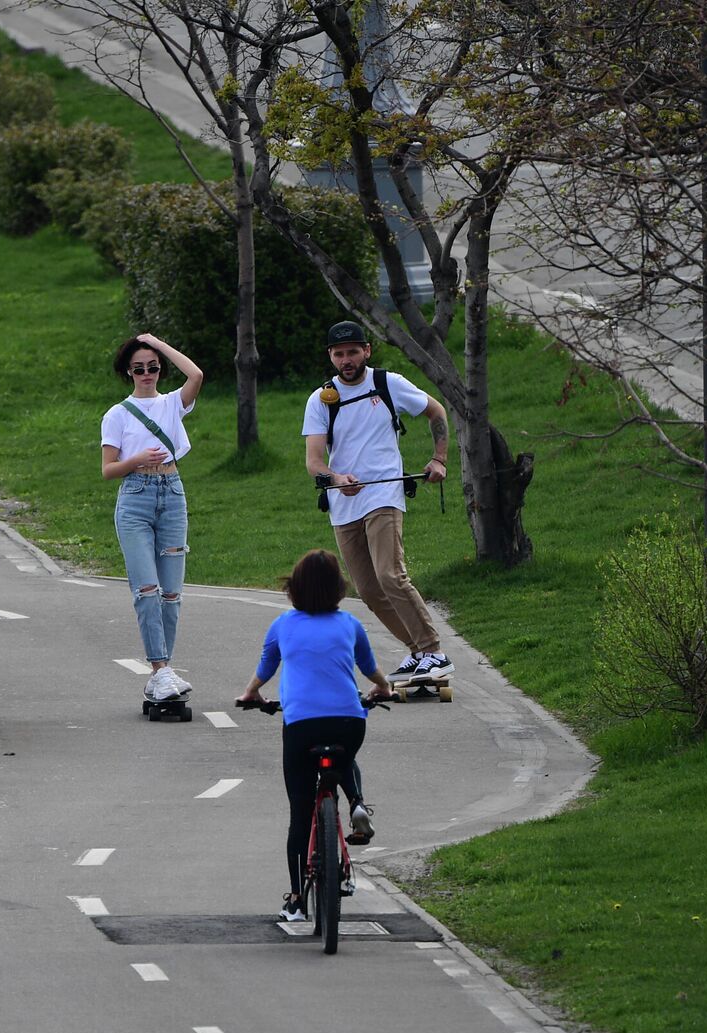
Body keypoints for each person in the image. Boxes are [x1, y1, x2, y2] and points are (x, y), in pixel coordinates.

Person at [236, 549, 392, 922]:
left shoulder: (283, 625)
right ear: (339, 588)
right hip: (348, 722)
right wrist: (384, 689)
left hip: (301, 726)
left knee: (300, 813)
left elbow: (265, 668)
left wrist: (250, 694)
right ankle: (355, 802)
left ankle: (294, 898)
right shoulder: (350, 623)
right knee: (344, 756)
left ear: (295, 588)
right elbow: (369, 669)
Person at [303, 320, 453, 683]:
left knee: (390, 574)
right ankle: (418, 652)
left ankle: (434, 651)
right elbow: (314, 462)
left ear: (366, 351)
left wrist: (439, 459)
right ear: (331, 357)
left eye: (353, 352)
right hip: (343, 503)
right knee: (369, 589)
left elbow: (437, 412)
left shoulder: (388, 384)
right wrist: (336, 479)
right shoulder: (321, 399)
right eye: (339, 354)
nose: (346, 360)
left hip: (384, 494)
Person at [100, 333, 204, 703]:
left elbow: (195, 375)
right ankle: (159, 670)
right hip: (135, 499)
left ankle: (164, 670)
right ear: (129, 372)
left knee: (172, 594)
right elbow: (108, 469)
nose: (147, 373)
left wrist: (158, 344)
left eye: (153, 367)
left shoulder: (172, 403)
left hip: (172, 494)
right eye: (139, 368)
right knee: (147, 590)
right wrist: (136, 460)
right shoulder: (117, 414)